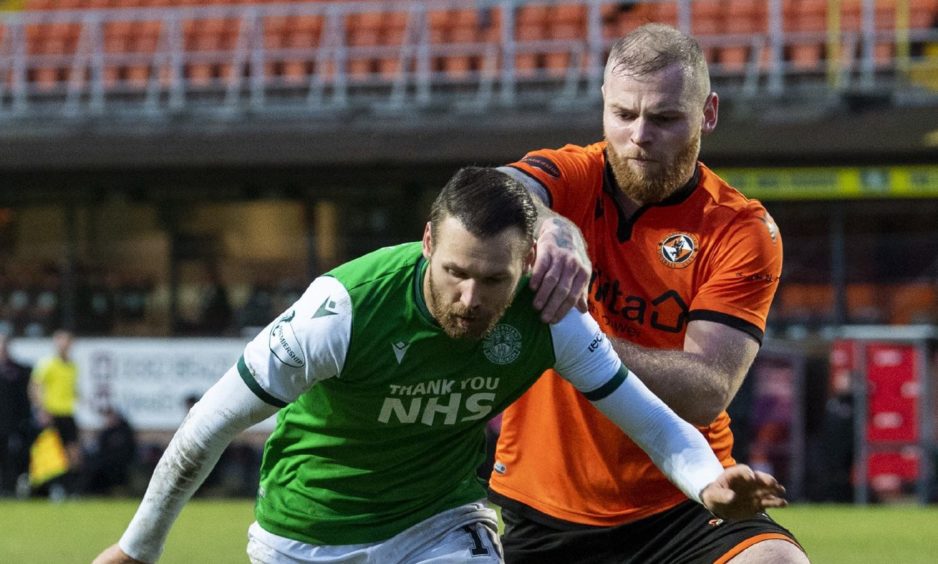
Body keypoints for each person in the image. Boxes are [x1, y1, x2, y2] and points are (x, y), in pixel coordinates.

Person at [94, 167, 786, 564]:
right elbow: (203, 431)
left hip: (438, 525)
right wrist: (135, 550)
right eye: (455, 273)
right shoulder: (342, 311)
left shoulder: (549, 318)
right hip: (306, 533)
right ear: (427, 243)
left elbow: (656, 424)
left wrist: (706, 486)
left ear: (526, 264)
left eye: (494, 280)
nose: (471, 298)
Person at [489, 24, 807, 563]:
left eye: (664, 118)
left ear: (708, 113)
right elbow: (493, 192)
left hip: (687, 502)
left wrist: (572, 341)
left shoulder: (739, 228)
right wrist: (553, 228)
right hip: (545, 508)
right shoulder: (572, 176)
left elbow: (707, 388)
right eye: (624, 115)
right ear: (604, 108)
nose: (639, 135)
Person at [30, 329, 82, 494]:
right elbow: (35, 386)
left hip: (67, 413)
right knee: (52, 454)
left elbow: (71, 389)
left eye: (66, 341)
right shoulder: (48, 364)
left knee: (73, 454)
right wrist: (41, 409)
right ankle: (54, 488)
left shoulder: (73, 366)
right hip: (52, 414)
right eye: (60, 341)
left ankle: (71, 488)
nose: (63, 345)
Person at [0, 333, 34, 495]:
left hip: (12, 423)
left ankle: (8, 488)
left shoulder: (18, 370)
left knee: (11, 456)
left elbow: (25, 398)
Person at [77, 406, 137, 496]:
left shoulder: (124, 431)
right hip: (106, 462)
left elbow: (127, 450)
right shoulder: (106, 432)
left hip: (120, 463)